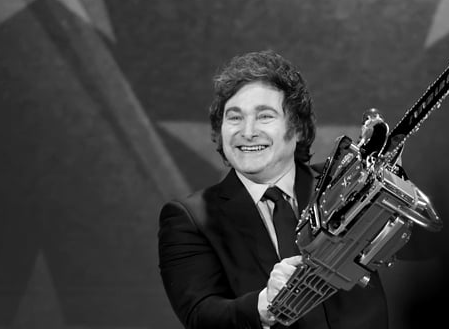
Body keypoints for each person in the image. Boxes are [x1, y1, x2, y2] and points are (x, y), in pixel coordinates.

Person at [158, 50, 389, 329]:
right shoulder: (190, 218)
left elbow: (419, 248)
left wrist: (391, 184)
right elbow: (200, 315)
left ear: (298, 128)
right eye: (234, 118)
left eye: (264, 116)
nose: (247, 132)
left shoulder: (345, 185)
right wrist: (264, 304)